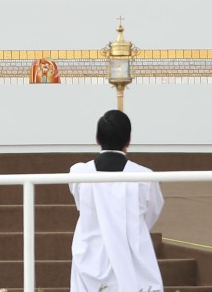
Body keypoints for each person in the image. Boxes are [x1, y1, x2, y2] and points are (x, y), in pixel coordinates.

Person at [69, 109, 163, 292]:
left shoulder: (79, 173)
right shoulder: (144, 177)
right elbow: (152, 211)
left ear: (97, 139)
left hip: (90, 254)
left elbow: (81, 204)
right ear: (128, 141)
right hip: (132, 252)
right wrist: (131, 229)